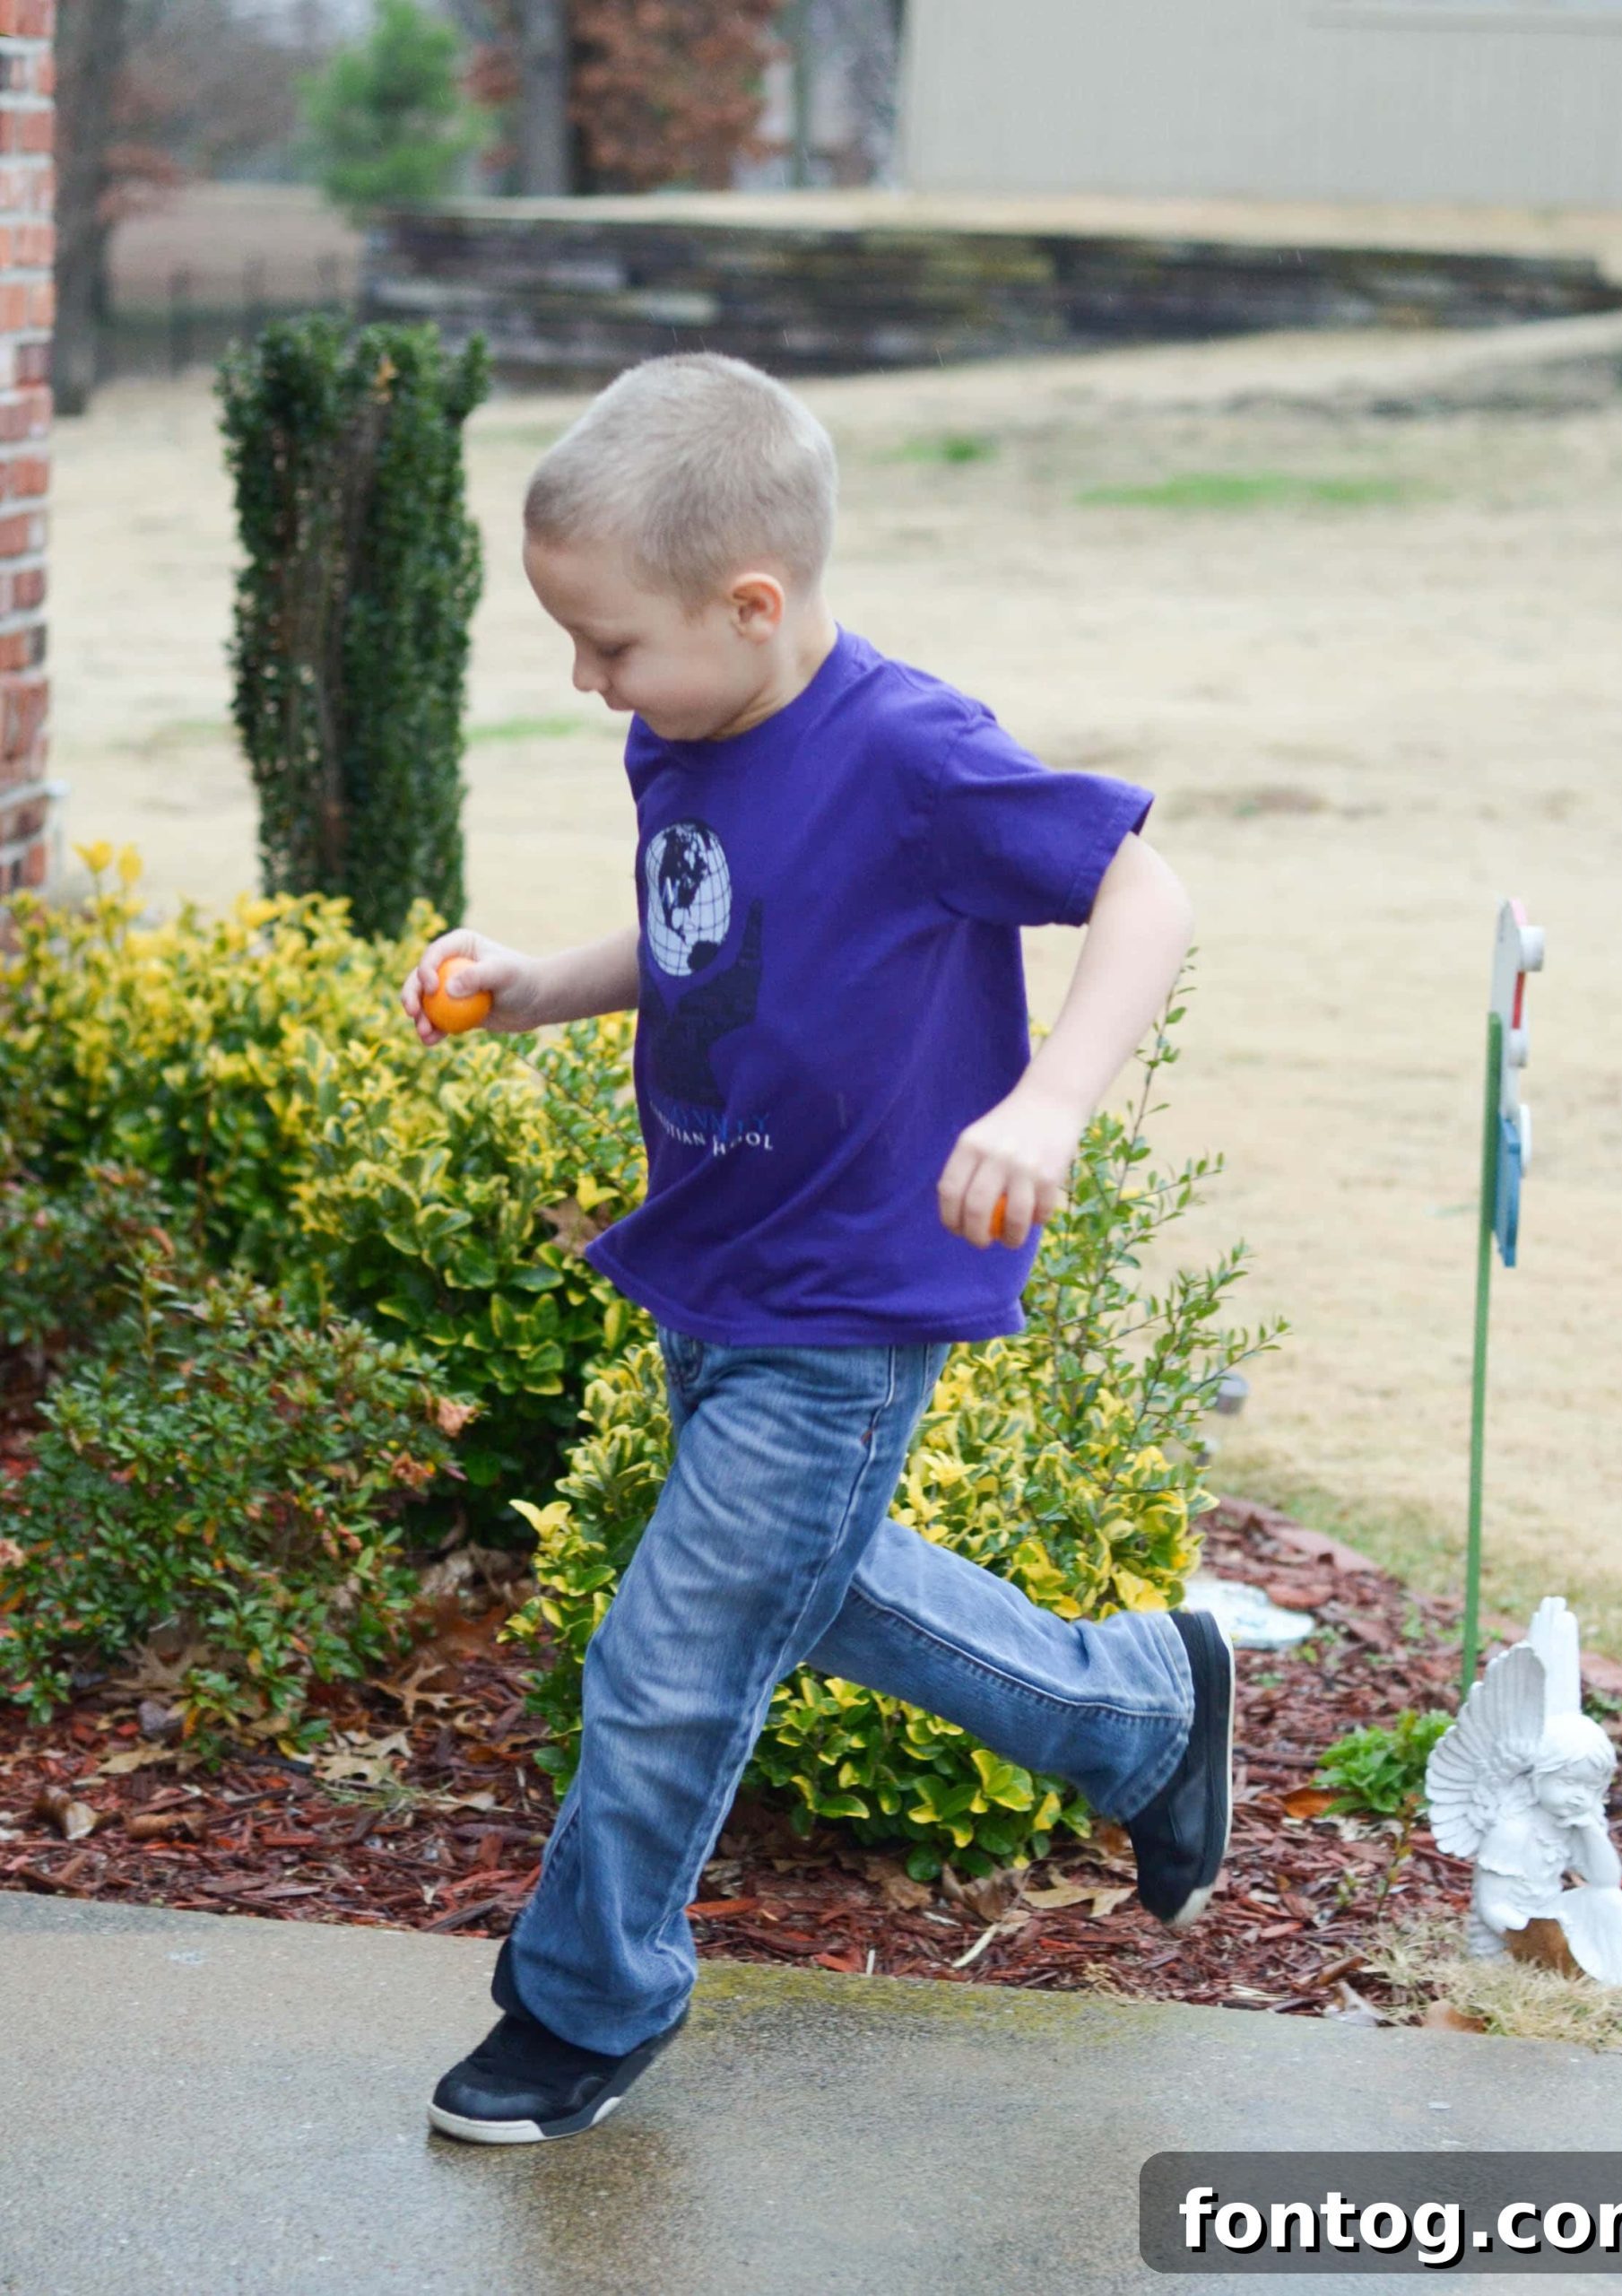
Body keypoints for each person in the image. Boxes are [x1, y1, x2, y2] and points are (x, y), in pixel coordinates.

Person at [400, 352, 1234, 2147]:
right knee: (808, 1588)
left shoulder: (908, 753)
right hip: (718, 1262)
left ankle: (581, 1999)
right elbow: (708, 938)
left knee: (668, 1657)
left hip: (840, 1300)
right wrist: (542, 982)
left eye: (608, 643)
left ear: (750, 603)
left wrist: (1047, 1108)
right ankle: (1142, 1712)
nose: (584, 681)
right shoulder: (684, 726)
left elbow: (1144, 890)